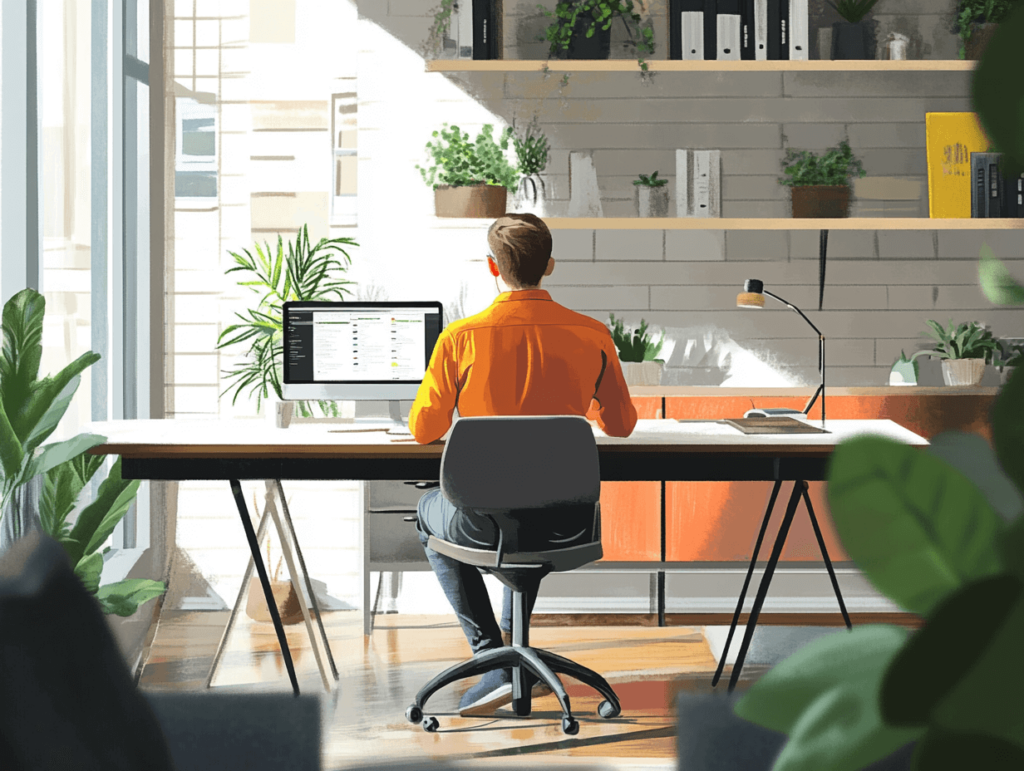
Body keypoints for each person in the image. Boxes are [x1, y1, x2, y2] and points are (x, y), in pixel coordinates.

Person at [408, 213, 638, 716]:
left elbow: (424, 430)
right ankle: (511, 661)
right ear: (550, 265)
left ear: (493, 267)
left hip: (480, 525)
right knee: (526, 517)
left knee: (429, 509)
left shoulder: (461, 338)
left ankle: (492, 656)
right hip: (565, 524)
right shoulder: (592, 333)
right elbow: (620, 425)